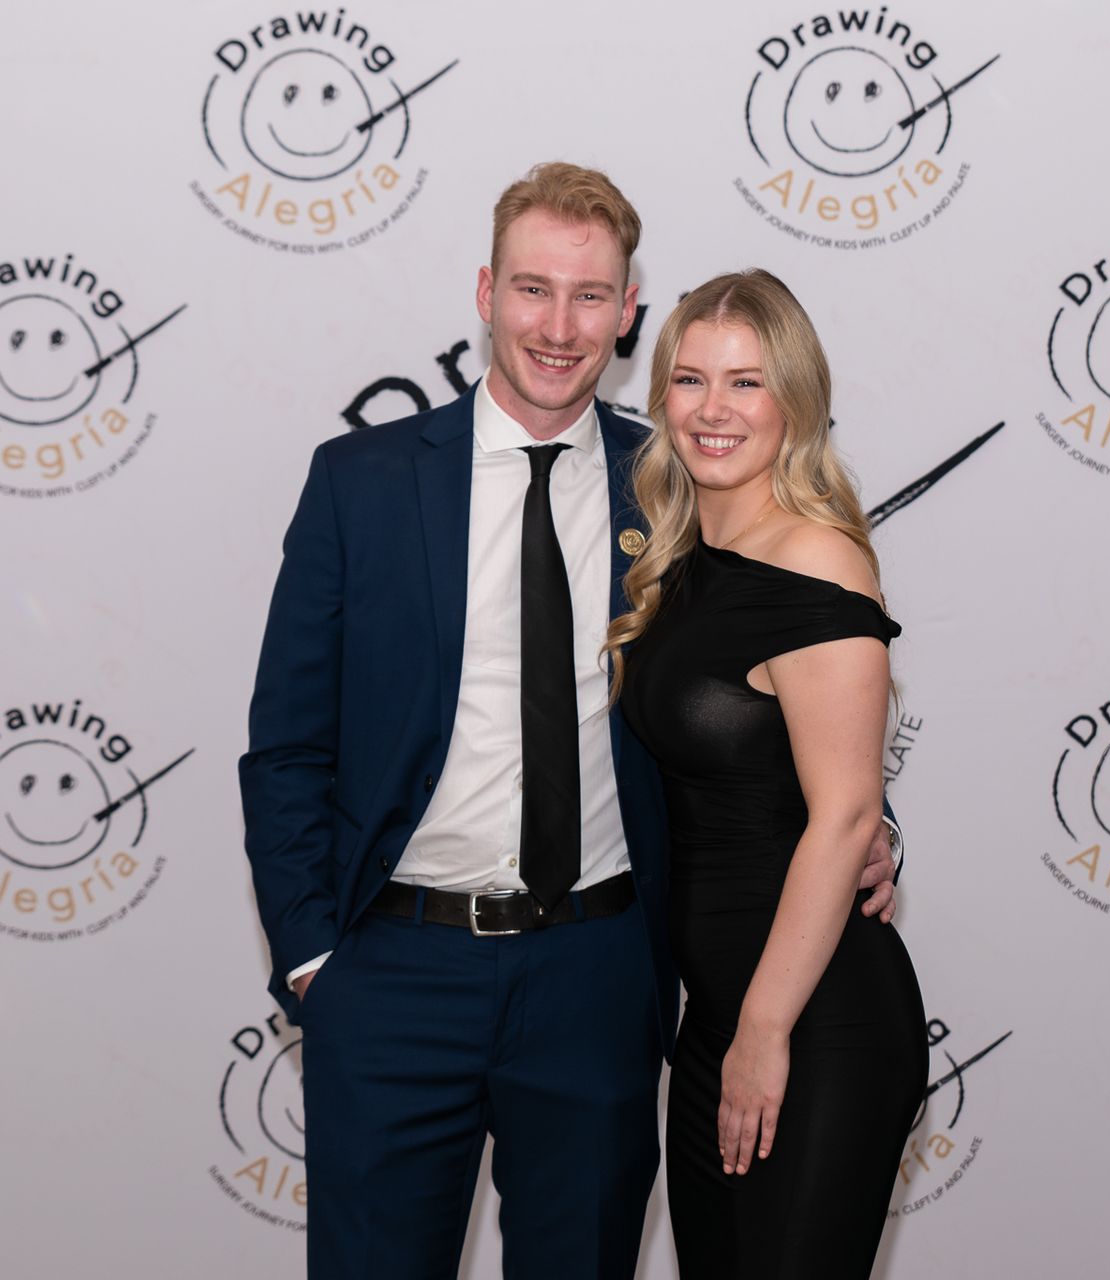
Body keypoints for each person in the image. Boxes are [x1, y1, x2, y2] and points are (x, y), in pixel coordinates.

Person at [238, 164, 902, 1280]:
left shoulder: (678, 484)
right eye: (534, 290)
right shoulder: (363, 482)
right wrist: (314, 959)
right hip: (396, 973)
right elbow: (288, 743)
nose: (558, 327)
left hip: (598, 979)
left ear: (628, 311)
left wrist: (863, 827)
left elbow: (764, 694)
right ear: (486, 292)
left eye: (590, 296)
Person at [608, 270, 928, 1278]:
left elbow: (844, 816)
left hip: (814, 1019)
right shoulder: (683, 555)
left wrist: (763, 1028)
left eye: (746, 382)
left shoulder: (818, 561)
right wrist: (734, 1029)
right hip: (717, 1016)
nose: (714, 409)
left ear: (794, 399)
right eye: (690, 379)